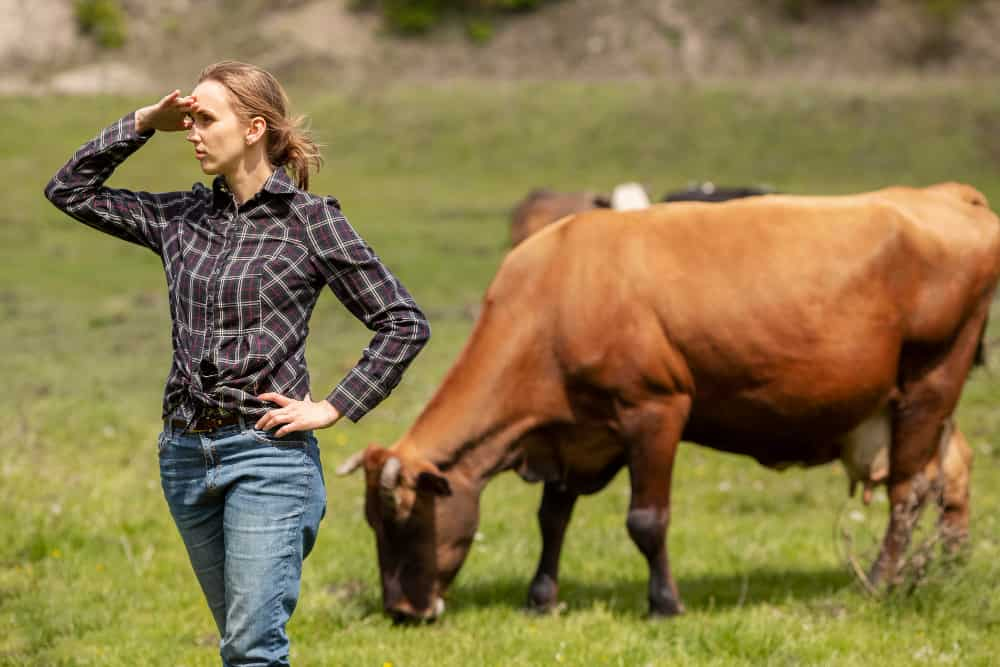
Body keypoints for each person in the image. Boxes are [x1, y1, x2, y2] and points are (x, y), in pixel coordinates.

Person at [44, 60, 431, 666]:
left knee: (252, 648)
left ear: (254, 128)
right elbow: (69, 190)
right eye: (188, 119)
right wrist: (145, 122)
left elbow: (402, 322)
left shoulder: (309, 223)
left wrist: (334, 406)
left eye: (205, 118)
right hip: (183, 459)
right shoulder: (179, 219)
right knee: (242, 647)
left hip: (267, 457)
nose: (192, 131)